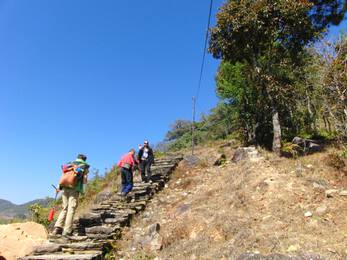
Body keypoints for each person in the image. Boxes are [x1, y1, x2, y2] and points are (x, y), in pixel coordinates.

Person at [51, 154, 90, 237]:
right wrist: (83, 187)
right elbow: (84, 180)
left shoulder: (70, 164)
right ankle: (67, 231)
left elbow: (64, 176)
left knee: (64, 208)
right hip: (75, 189)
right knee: (71, 209)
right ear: (84, 159)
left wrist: (59, 187)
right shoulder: (84, 166)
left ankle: (57, 228)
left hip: (64, 188)